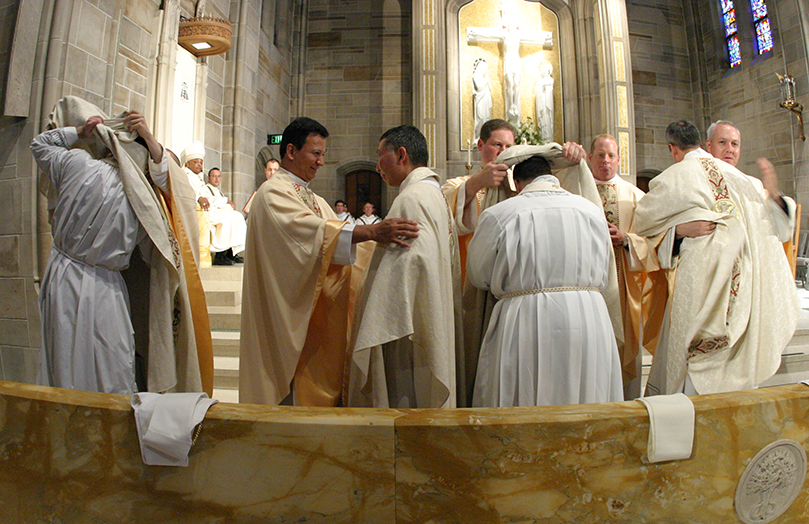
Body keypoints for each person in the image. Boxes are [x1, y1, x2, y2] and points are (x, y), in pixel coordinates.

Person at [32, 96, 208, 395]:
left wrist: (79, 132)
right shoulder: (132, 192)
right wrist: (149, 141)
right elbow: (172, 189)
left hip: (78, 277)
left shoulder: (88, 168)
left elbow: (41, 144)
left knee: (84, 359)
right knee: (97, 362)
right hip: (94, 280)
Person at [239, 117, 419, 406]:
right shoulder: (273, 193)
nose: (321, 161)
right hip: (287, 318)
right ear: (290, 151)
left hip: (317, 318)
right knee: (291, 405)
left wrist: (384, 256)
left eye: (323, 154)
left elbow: (343, 245)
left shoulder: (314, 198)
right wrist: (373, 230)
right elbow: (312, 236)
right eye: (316, 153)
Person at [635, 120, 799, 396]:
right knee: (735, 359)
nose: (730, 149)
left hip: (703, 284)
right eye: (723, 142)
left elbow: (642, 221)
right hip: (745, 289)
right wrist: (681, 229)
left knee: (693, 360)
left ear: (673, 149)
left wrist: (675, 231)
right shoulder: (745, 183)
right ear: (706, 145)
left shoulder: (678, 176)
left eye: (735, 144)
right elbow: (779, 228)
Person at [467, 153, 623, 407]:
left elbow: (478, 275)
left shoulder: (500, 213)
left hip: (525, 318)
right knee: (587, 399)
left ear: (517, 183)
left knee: (525, 400)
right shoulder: (591, 210)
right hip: (589, 316)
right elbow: (606, 268)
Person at [348, 125, 462, 409]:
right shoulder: (434, 194)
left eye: (380, 155)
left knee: (406, 403)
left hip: (407, 336)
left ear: (401, 155)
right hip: (427, 322)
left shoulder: (412, 198)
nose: (376, 166)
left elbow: (406, 272)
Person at [588, 134, 669, 399]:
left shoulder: (636, 196)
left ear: (619, 159)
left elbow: (654, 241)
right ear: (590, 158)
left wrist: (626, 240)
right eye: (600, 155)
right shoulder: (578, 192)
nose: (606, 161)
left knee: (624, 343)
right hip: (588, 282)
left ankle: (627, 401)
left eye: (611, 155)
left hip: (624, 282)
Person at [200, 167, 247, 265]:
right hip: (211, 213)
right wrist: (226, 200)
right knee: (227, 219)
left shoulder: (218, 191)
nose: (216, 178)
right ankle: (220, 254)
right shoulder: (205, 188)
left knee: (238, 216)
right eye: (214, 176)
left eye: (218, 176)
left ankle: (232, 253)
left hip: (220, 212)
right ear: (208, 178)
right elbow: (212, 201)